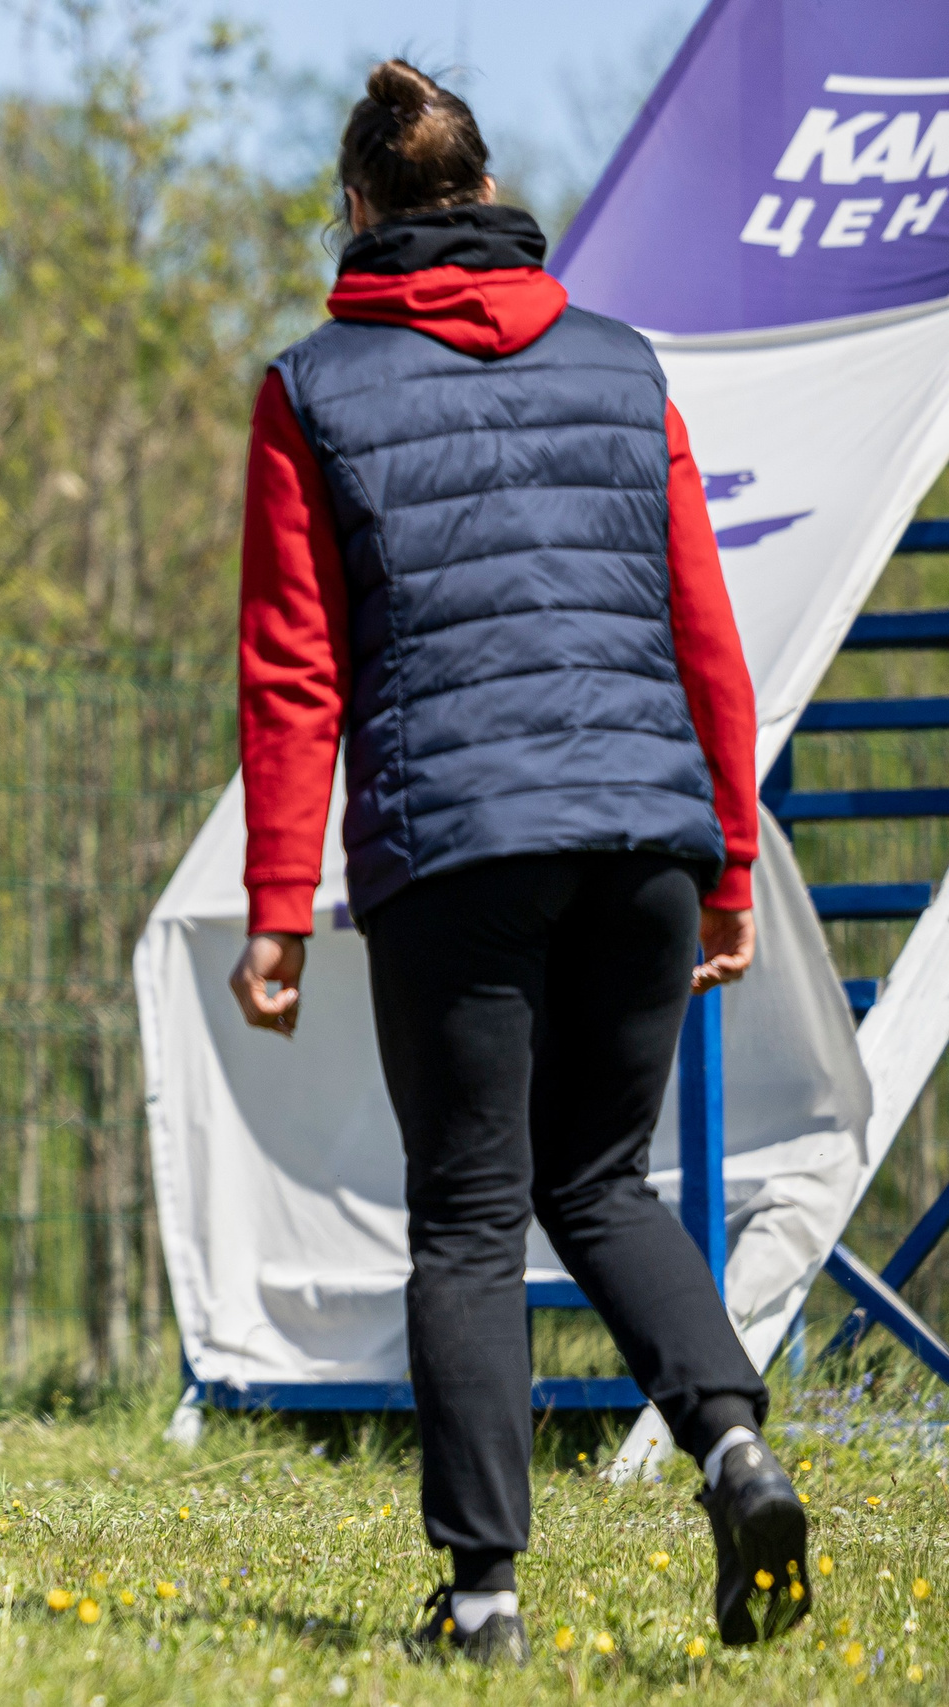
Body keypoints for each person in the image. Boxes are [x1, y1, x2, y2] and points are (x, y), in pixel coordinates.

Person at [226, 60, 809, 1664]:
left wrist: (281, 912)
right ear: (486, 197)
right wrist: (733, 865)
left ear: (357, 212)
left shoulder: (314, 386)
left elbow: (295, 668)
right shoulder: (626, 368)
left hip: (460, 841)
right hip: (645, 837)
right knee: (603, 1179)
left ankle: (482, 1600)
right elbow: (708, 631)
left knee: (471, 1216)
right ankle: (736, 1449)